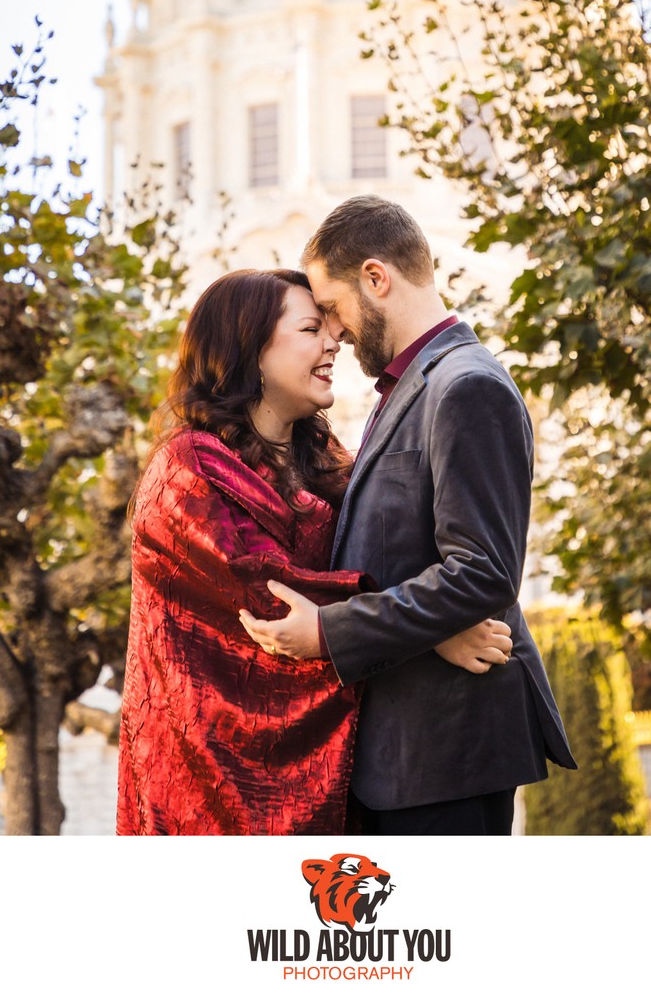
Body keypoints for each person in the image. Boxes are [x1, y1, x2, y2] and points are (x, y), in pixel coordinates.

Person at [116, 267, 511, 836]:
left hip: (336, 772)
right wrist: (436, 630)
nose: (335, 342)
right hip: (212, 776)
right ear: (248, 349)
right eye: (310, 329)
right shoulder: (187, 470)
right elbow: (271, 603)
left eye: (330, 326)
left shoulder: (320, 454)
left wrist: (428, 612)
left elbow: (378, 557)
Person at [240, 197, 576, 836]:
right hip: (408, 756)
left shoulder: (465, 386)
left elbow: (482, 574)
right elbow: (395, 557)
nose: (333, 332)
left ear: (376, 278)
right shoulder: (416, 385)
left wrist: (331, 632)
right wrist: (433, 631)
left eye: (333, 309)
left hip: (445, 756)